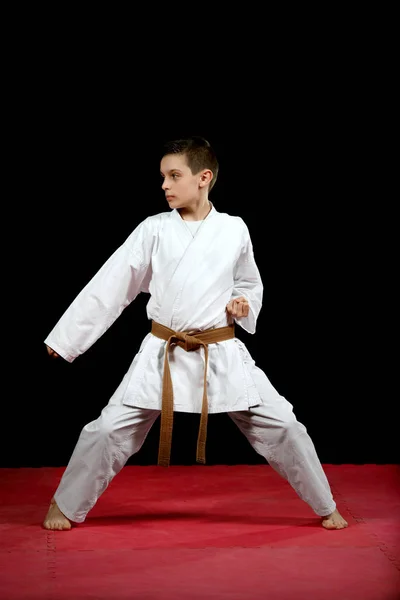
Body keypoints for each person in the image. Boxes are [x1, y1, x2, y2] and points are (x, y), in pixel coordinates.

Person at [43, 136, 348, 531]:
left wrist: (243, 304)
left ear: (203, 177)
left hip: (219, 351)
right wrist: (67, 339)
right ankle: (65, 505)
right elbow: (112, 284)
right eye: (163, 177)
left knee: (286, 425)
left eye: (174, 175)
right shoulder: (153, 229)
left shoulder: (233, 228)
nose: (165, 185)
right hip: (163, 352)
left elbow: (247, 283)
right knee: (105, 430)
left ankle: (325, 504)